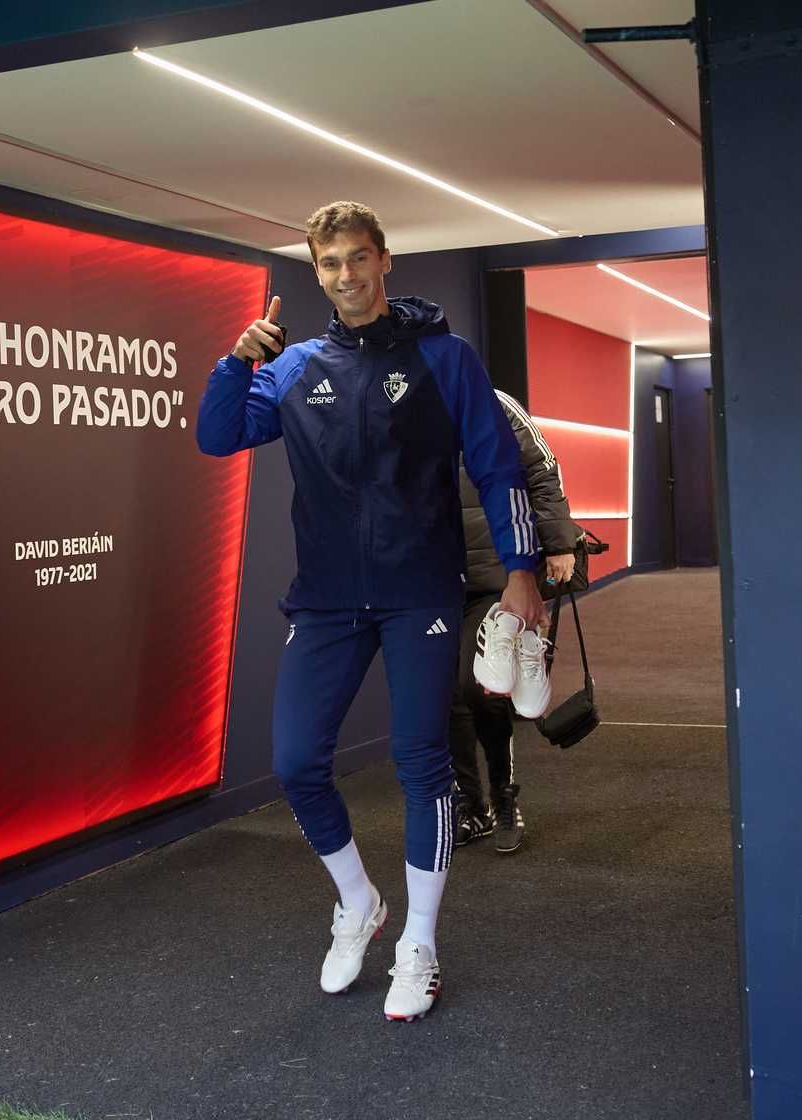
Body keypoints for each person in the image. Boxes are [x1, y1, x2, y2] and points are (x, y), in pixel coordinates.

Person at [195, 201, 545, 1022]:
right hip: (325, 599)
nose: (345, 276)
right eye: (329, 264)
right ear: (315, 271)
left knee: (421, 761)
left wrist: (522, 573)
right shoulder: (291, 366)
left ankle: (418, 942)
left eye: (358, 258)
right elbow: (218, 438)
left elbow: (498, 469)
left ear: (384, 260)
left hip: (420, 590)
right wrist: (234, 364)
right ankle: (358, 903)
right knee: (295, 763)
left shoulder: (444, 358)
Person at [449, 391, 580, 855]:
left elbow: (543, 469)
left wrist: (559, 542)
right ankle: (471, 805)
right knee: (445, 699)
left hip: (495, 573)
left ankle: (504, 798)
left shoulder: (492, 403)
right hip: (431, 576)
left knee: (480, 689)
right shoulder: (401, 399)